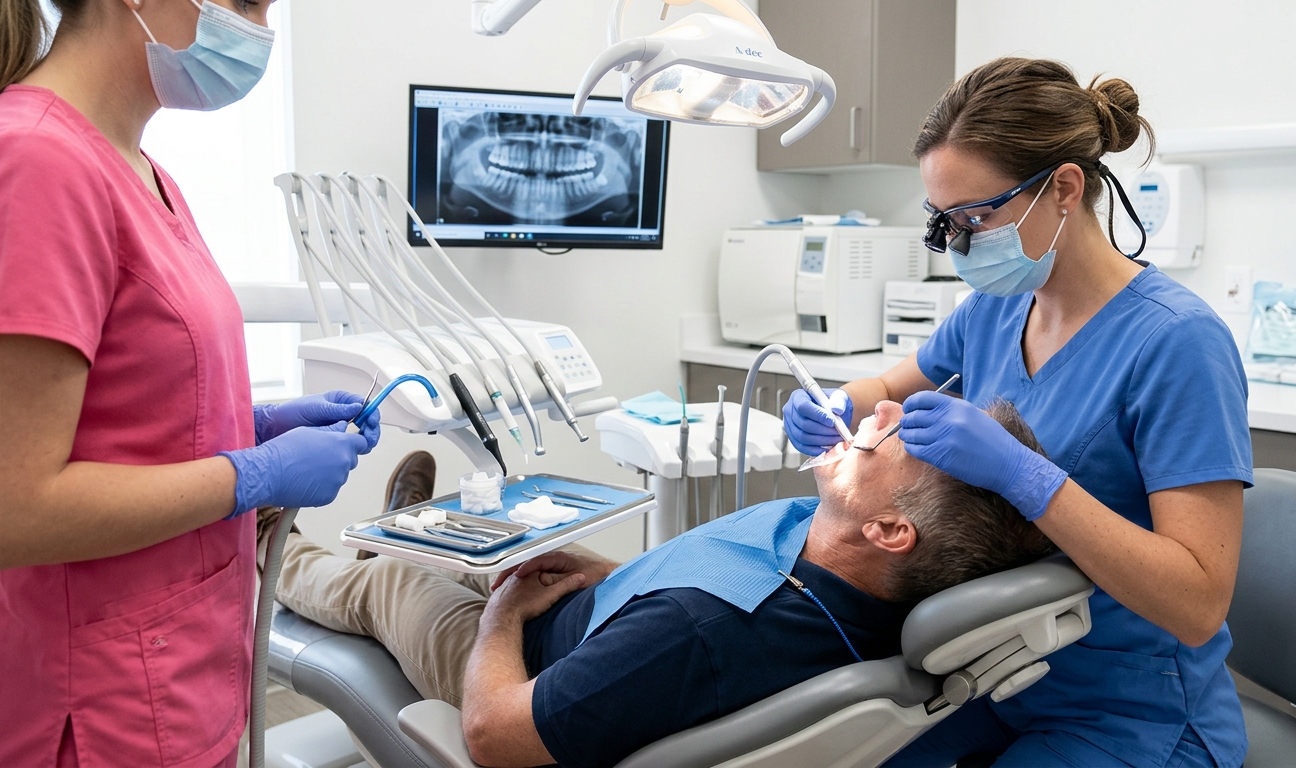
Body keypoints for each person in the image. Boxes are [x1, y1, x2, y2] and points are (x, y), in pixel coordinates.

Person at [785, 58, 1252, 768]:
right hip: (993, 672)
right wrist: (834, 403)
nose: (962, 241)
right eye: (944, 221)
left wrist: (1025, 477)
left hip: (1130, 709)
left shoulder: (1177, 343)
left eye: (976, 216)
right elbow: (891, 383)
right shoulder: (996, 308)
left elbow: (1197, 604)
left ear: (1063, 188)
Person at [0, 2, 381, 765]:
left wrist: (257, 423)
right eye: (243, 4)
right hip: (100, 704)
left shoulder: (142, 170)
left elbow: (132, 406)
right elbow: (15, 507)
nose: (260, 31)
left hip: (180, 670)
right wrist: (253, 473)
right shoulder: (37, 160)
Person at [272, 399, 1057, 768]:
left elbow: (492, 735)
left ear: (890, 531)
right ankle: (401, 544)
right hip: (601, 616)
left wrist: (503, 614)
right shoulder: (849, 576)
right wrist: (616, 577)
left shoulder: (696, 635)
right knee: (461, 551)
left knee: (396, 587)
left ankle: (282, 552)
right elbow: (715, 586)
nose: (878, 406)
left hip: (526, 660)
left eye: (889, 438)